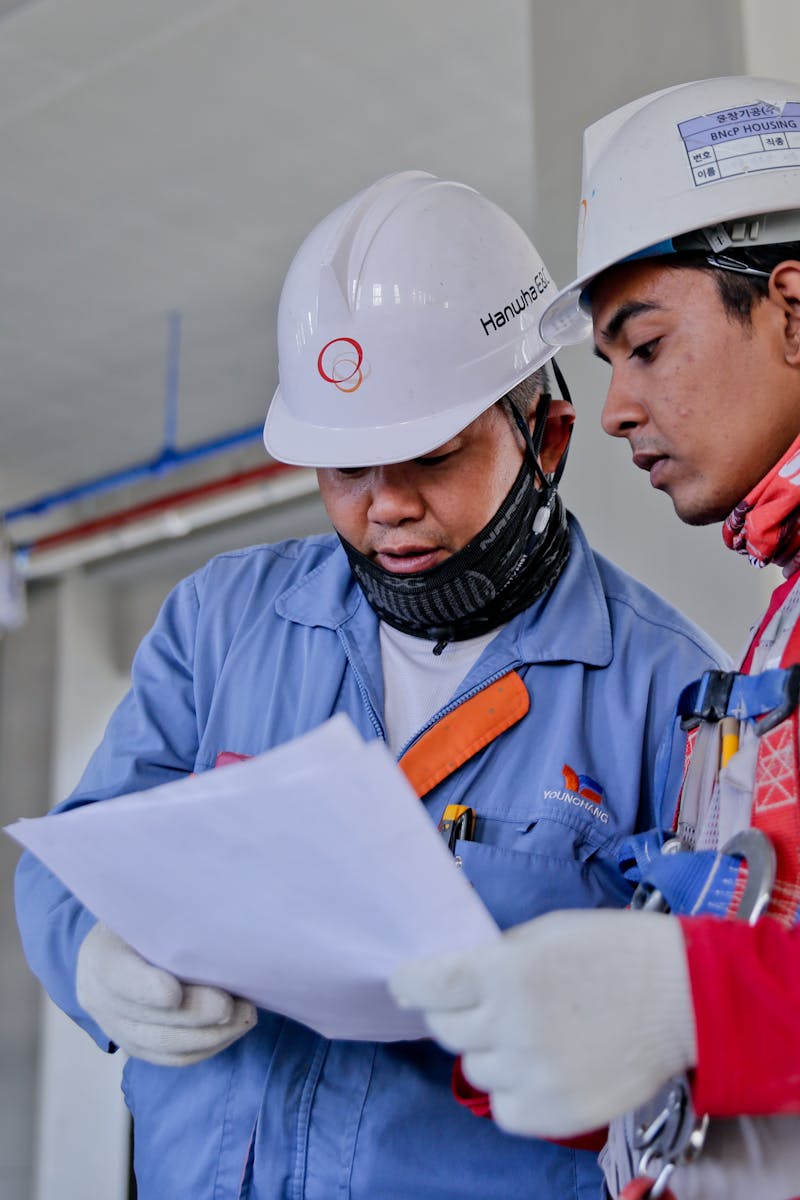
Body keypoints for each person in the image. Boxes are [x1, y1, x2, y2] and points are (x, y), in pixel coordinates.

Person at [14, 170, 724, 1200]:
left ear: (547, 439)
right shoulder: (221, 625)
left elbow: (708, 1045)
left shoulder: (669, 695)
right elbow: (79, 849)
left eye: (429, 459)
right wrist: (91, 956)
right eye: (345, 469)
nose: (384, 506)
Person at [390, 79, 800, 1199]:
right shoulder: (779, 617)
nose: (614, 407)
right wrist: (563, 1041)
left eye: (644, 345)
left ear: (791, 310)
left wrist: (691, 1000)